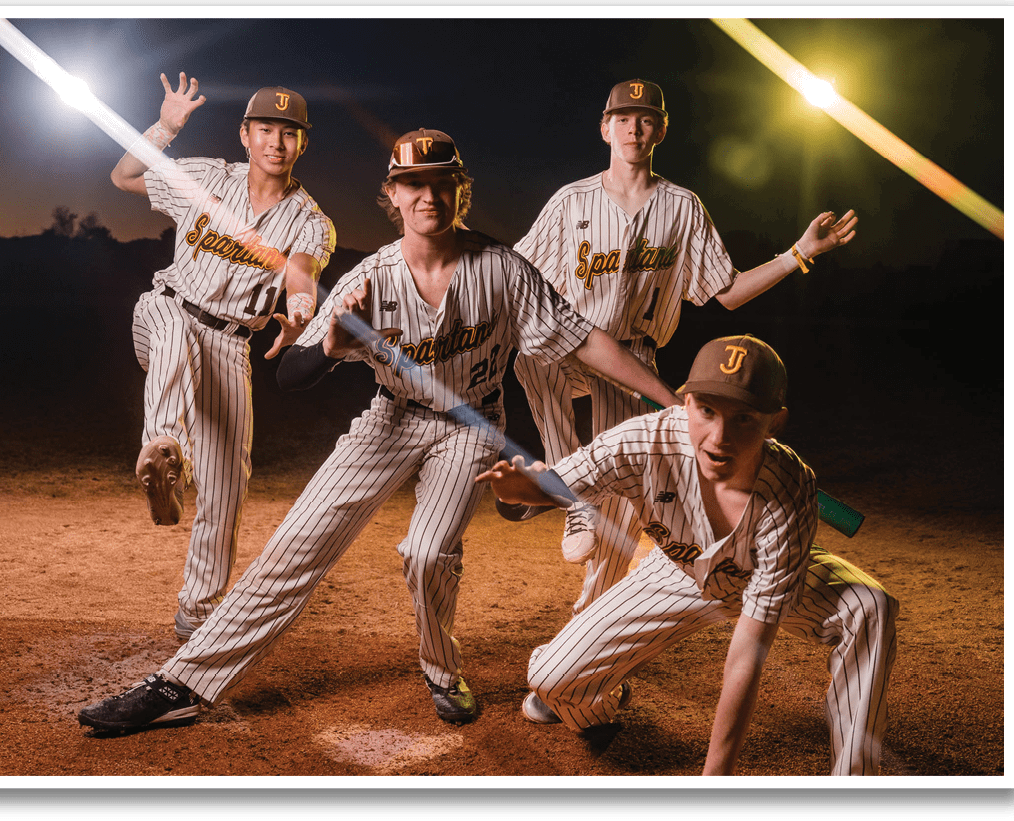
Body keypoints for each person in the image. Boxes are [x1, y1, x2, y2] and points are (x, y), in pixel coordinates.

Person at [78, 128, 681, 730]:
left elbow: (588, 341)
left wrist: (668, 400)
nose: (427, 196)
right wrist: (334, 345)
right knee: (294, 545)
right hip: (389, 419)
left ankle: (442, 668)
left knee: (427, 552)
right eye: (412, 183)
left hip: (470, 424)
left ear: (459, 191)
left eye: (441, 182)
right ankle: (184, 683)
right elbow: (292, 373)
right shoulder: (372, 277)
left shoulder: (503, 269)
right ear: (392, 194)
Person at [505, 78, 858, 615]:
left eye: (645, 119)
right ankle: (569, 489)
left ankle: (590, 616)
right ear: (605, 128)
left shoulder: (683, 207)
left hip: (635, 360)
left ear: (661, 130)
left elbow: (729, 292)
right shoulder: (570, 201)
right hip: (572, 343)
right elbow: (515, 277)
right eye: (623, 118)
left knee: (626, 498)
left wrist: (799, 254)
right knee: (534, 352)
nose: (634, 128)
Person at [476, 335, 898, 776]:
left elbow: (746, 656)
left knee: (869, 607)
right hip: (678, 570)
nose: (720, 437)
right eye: (707, 411)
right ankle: (602, 699)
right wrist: (520, 492)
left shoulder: (789, 488)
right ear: (685, 402)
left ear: (775, 423)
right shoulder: (642, 442)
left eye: (745, 419)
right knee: (553, 679)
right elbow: (553, 484)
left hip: (766, 572)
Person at [111, 73, 336, 641]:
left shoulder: (311, 220)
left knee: (226, 486)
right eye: (265, 128)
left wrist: (303, 308)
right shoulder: (206, 175)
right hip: (166, 309)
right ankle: (164, 446)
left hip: (230, 345)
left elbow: (304, 272)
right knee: (172, 338)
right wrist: (166, 126)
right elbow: (124, 175)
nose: (275, 143)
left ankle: (199, 608)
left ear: (302, 143)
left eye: (289, 133)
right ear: (245, 133)